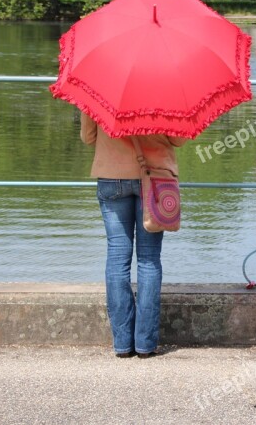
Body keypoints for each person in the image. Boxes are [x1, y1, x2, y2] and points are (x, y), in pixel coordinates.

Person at [80, 112, 186, 358]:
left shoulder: (97, 89)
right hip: (156, 179)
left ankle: (122, 344)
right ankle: (145, 345)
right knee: (149, 259)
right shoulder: (165, 88)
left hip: (111, 175)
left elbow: (87, 137)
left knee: (117, 258)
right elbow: (178, 140)